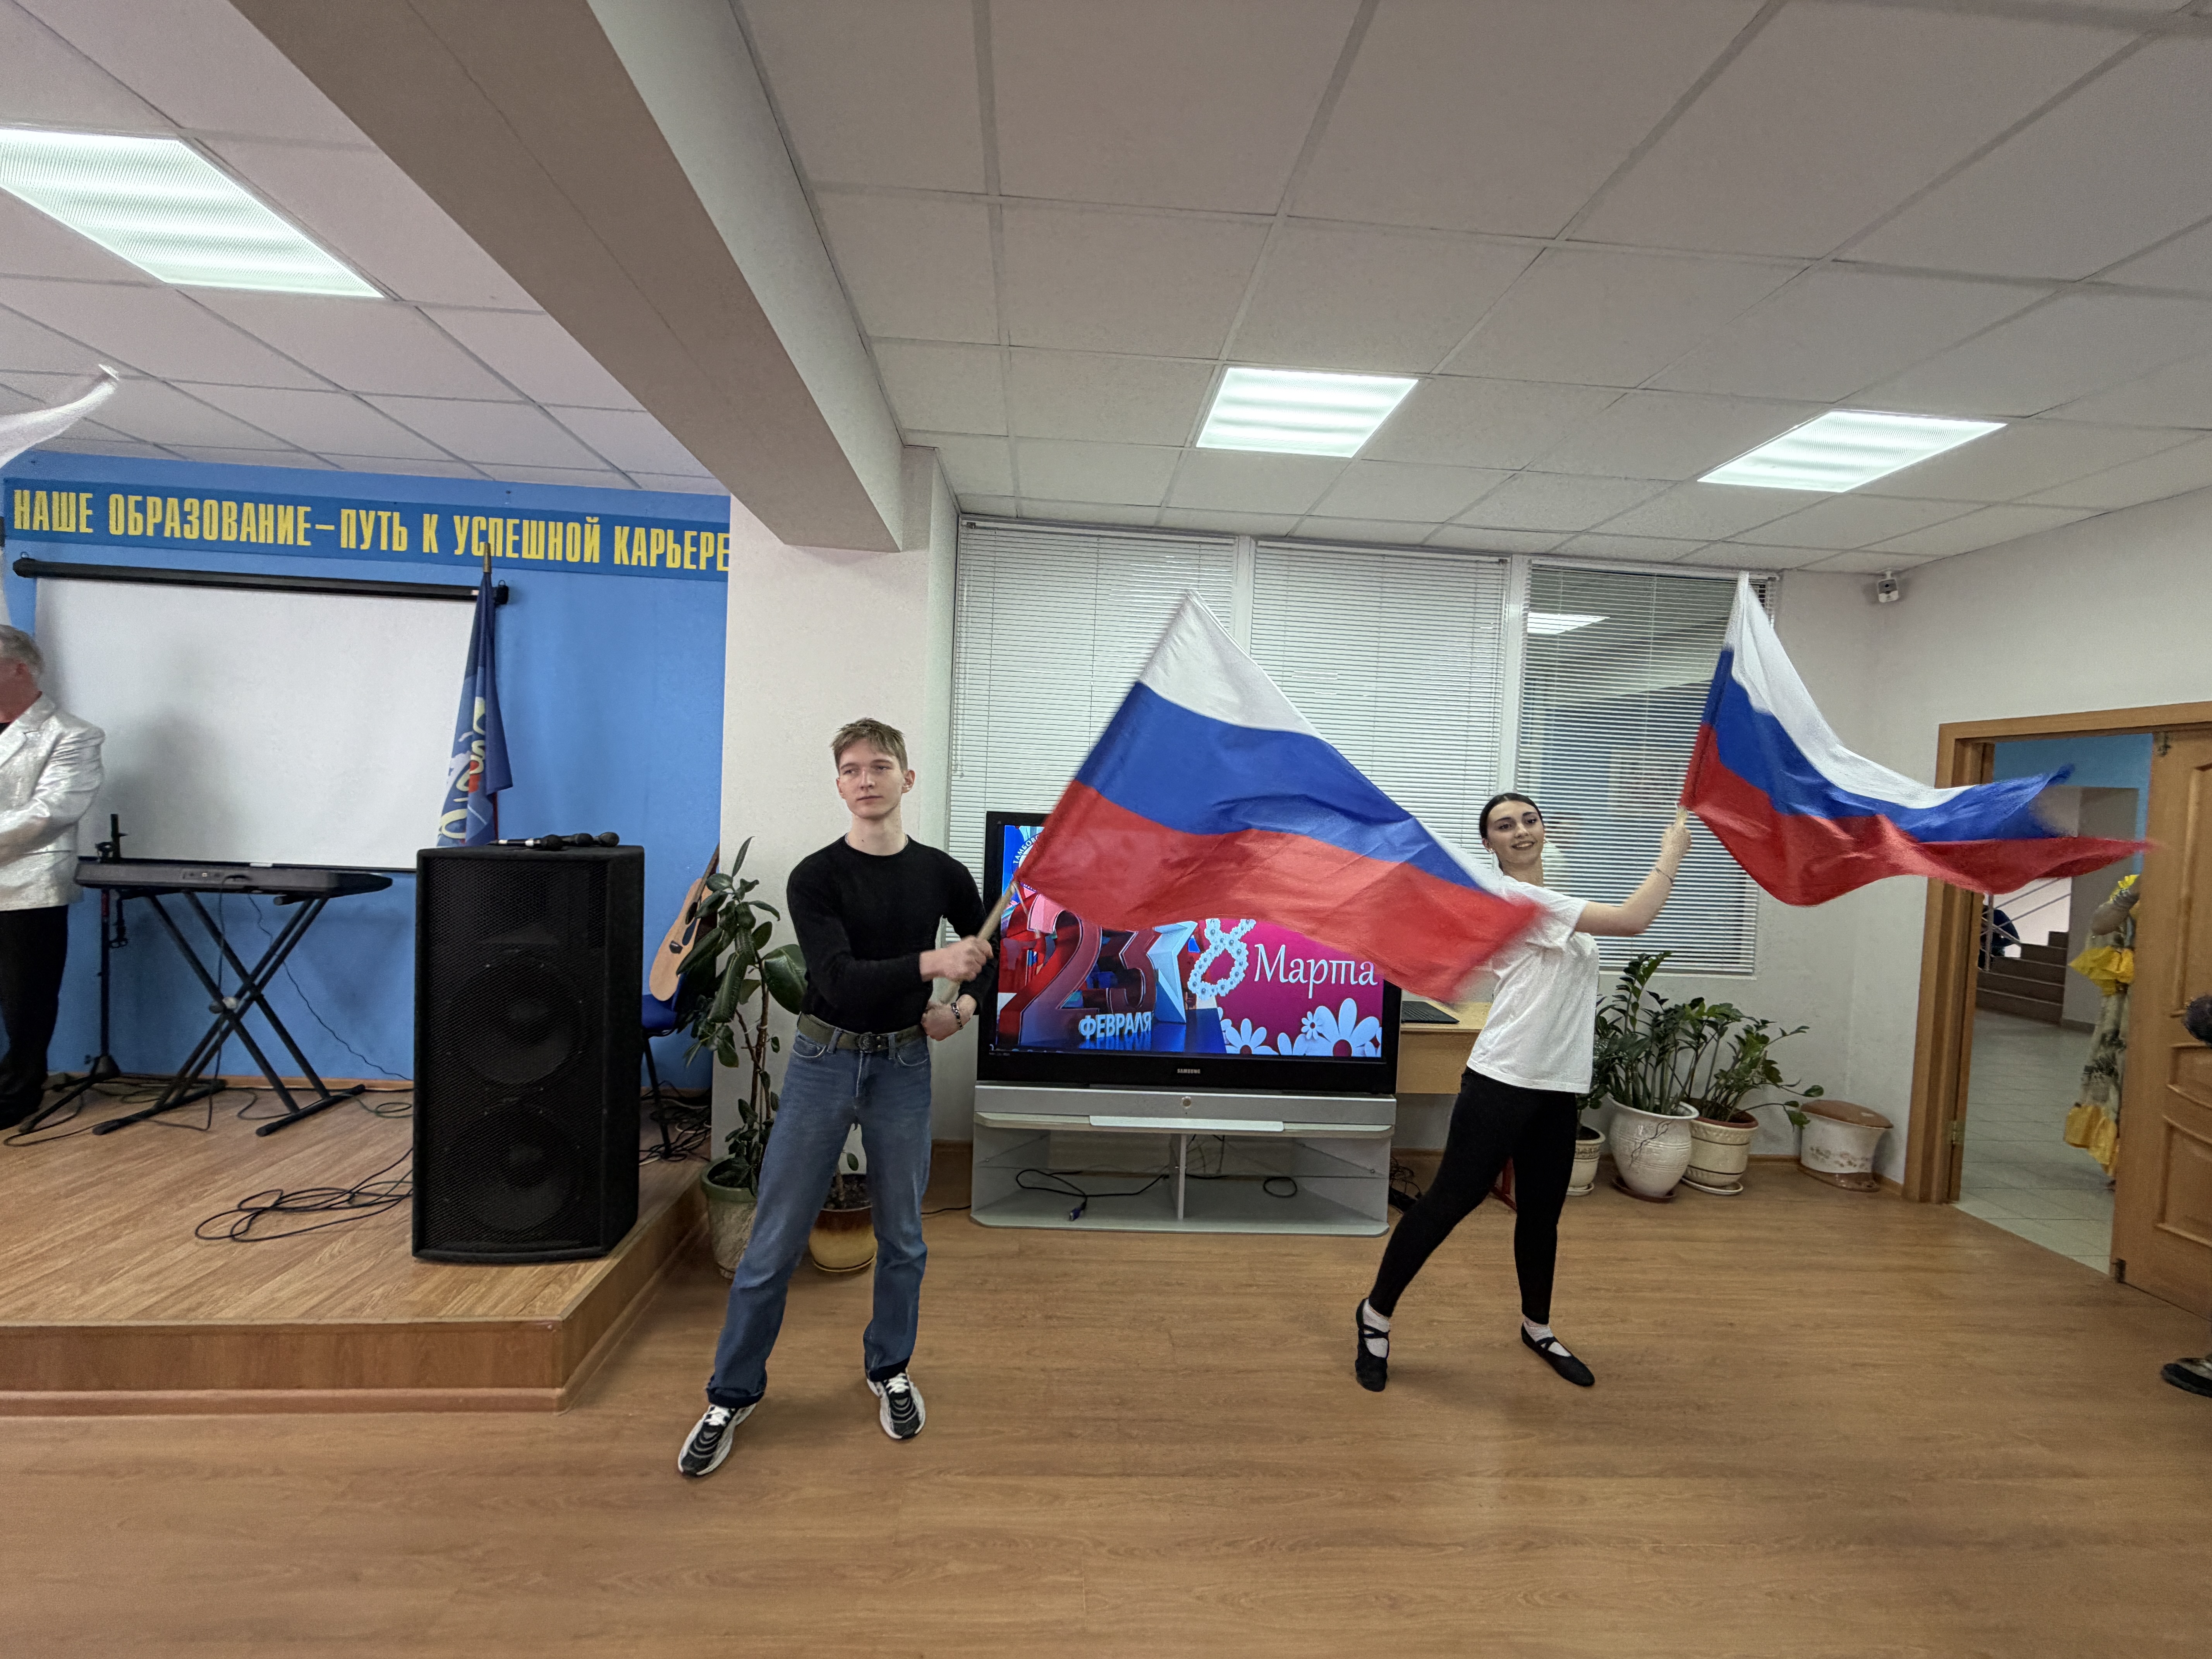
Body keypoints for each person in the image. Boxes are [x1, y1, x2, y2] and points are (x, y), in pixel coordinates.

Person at [680, 717, 992, 1479]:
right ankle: (731, 1394)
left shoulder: (943, 874)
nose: (865, 779)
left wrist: (961, 1008)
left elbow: (992, 955)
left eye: (879, 766)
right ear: (839, 785)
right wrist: (934, 964)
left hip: (904, 1065)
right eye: (851, 769)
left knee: (905, 1237)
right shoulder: (815, 877)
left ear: (907, 779)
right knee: (773, 1241)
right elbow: (840, 978)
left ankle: (890, 1370)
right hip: (825, 1061)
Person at [1354, 792, 1691, 1394]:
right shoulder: (1519, 899)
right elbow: (1633, 919)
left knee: (1541, 1215)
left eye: (1529, 820)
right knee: (1448, 1204)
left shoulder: (1548, 901)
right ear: (1489, 844)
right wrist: (1671, 855)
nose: (1521, 831)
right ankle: (1374, 1316)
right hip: (1502, 1079)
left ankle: (1538, 1327)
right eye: (1505, 826)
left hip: (1557, 1085)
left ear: (1543, 830)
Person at [0, 625, 103, 1131]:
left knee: (26, 999)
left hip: (28, 886)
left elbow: (50, 813)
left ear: (18, 668)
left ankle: (19, 1093)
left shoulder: (72, 734)